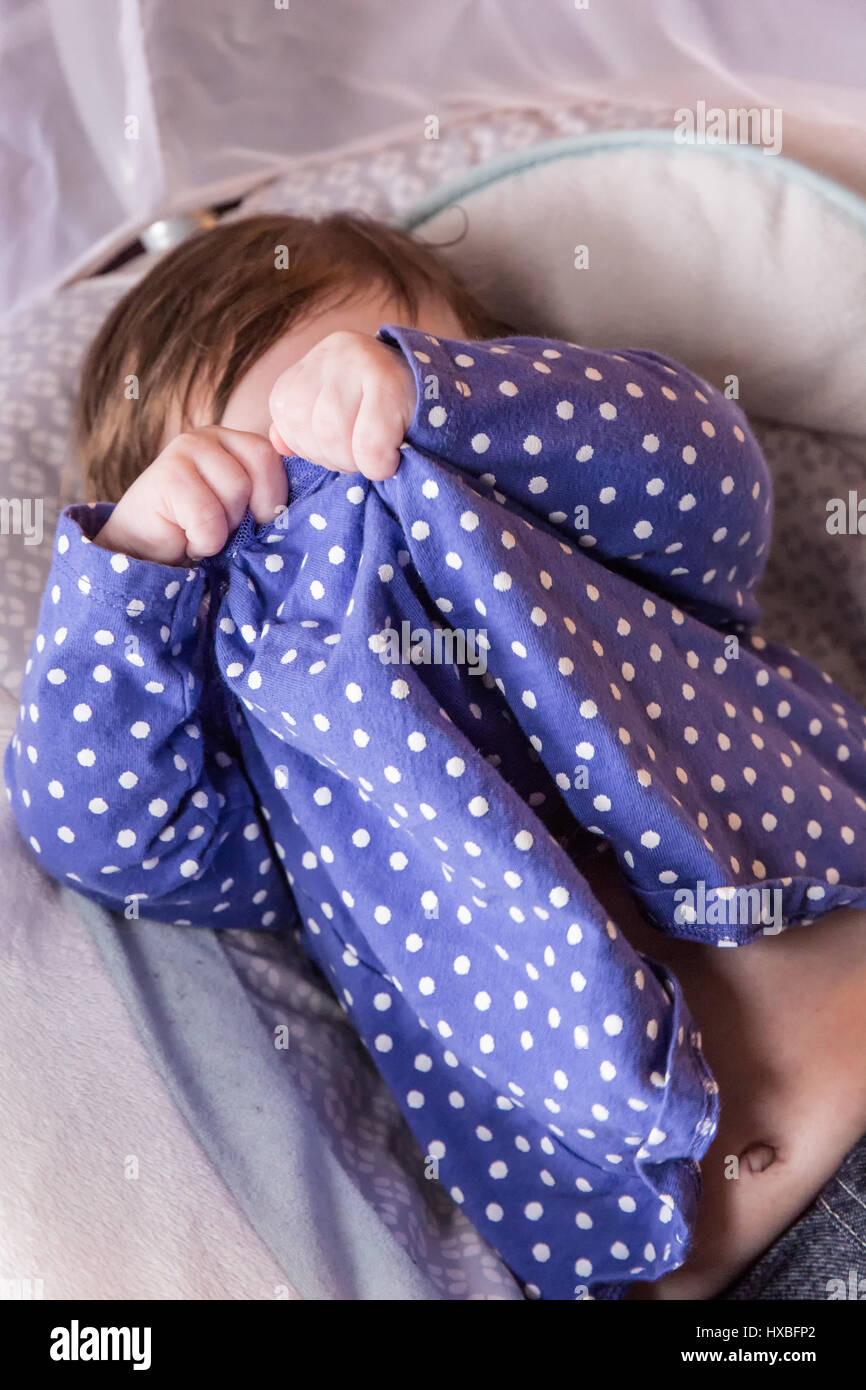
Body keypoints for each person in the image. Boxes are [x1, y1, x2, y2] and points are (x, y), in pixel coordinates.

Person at [6, 212, 866, 1300]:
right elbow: (100, 838)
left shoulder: (607, 561)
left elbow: (704, 470)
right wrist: (127, 576)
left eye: (383, 439)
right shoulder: (288, 780)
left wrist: (442, 402)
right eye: (276, 503)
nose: (352, 510)